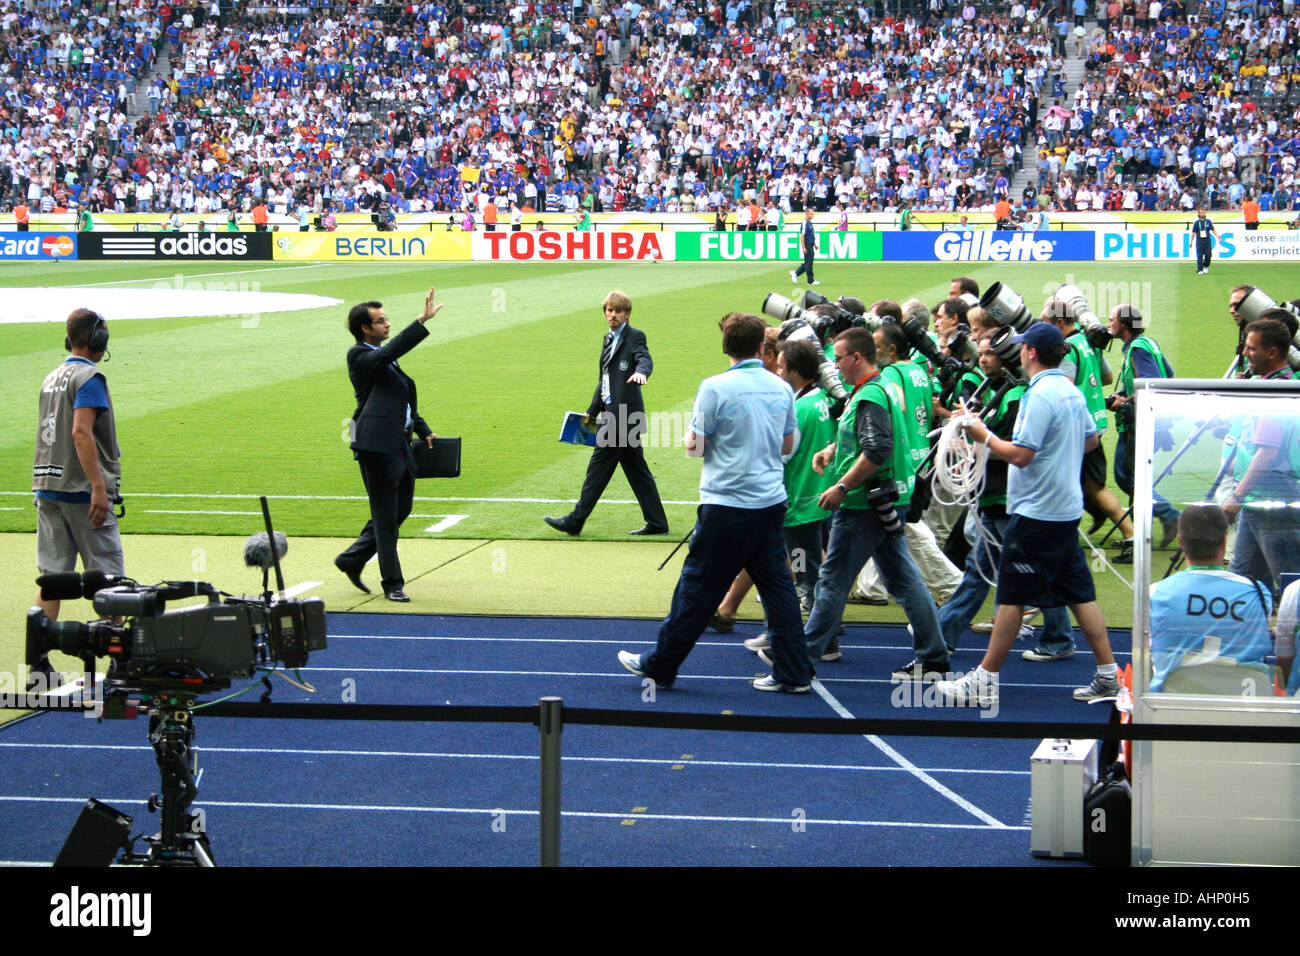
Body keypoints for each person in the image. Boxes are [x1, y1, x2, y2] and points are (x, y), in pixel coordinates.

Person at [617, 313, 812, 693]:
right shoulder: (781, 388)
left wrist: (707, 443)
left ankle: (660, 666)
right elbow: (789, 446)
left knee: (696, 588)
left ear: (726, 347)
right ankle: (794, 672)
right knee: (778, 590)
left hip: (726, 505)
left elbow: (696, 446)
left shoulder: (714, 387)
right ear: (761, 348)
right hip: (770, 503)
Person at [936, 322, 1120, 706]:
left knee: (1011, 597)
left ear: (1031, 353)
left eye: (1022, 347)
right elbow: (1089, 441)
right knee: (1079, 593)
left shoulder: (1039, 395)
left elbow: (1022, 454)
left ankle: (984, 680)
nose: (1018, 352)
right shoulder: (1069, 391)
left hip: (1037, 512)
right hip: (1065, 509)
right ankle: (1107, 675)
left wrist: (981, 433)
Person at [781, 328, 950, 679]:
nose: (835, 365)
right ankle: (934, 657)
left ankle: (800, 662)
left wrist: (842, 486)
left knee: (832, 580)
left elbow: (876, 449)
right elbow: (873, 439)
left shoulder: (870, 393)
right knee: (902, 578)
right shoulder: (880, 387)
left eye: (839, 358)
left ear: (856, 358)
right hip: (889, 496)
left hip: (864, 502)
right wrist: (833, 451)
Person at [936, 332, 1076, 660]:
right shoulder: (1014, 392)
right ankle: (943, 633)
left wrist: (978, 441)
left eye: (990, 354)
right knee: (983, 570)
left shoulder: (1021, 395)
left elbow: (1017, 449)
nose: (982, 359)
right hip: (1002, 496)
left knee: (1019, 575)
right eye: (981, 353)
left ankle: (945, 636)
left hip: (1007, 497)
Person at [30, 309, 125, 686]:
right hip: (82, 492)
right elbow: (80, 433)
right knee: (111, 580)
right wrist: (99, 488)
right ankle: (118, 664)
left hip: (46, 487)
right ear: (96, 341)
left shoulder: (52, 377)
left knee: (52, 580)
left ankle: (37, 667)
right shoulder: (90, 377)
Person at [335, 288, 443, 602]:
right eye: (380, 321)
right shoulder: (360, 355)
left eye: (387, 320)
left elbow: (401, 399)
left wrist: (423, 429)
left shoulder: (386, 362)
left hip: (399, 443)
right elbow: (388, 352)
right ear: (365, 329)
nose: (387, 325)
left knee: (401, 508)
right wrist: (420, 321)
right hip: (375, 445)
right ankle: (392, 583)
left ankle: (352, 558)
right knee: (385, 515)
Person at [544, 290, 668, 537]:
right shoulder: (608, 338)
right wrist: (592, 409)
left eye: (618, 311)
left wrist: (643, 372)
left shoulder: (635, 337)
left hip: (623, 417)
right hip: (616, 414)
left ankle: (575, 520)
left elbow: (644, 358)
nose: (612, 315)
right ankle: (657, 522)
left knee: (597, 469)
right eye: (609, 311)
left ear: (627, 314)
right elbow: (605, 379)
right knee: (637, 471)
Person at [1148, 504, 1273, 692]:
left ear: (1180, 542)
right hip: (1249, 702)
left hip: (1173, 705)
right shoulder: (1258, 592)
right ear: (1224, 542)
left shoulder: (1155, 592)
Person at [1222, 318, 1300, 596]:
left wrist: (1236, 497)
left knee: (1291, 586)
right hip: (1263, 500)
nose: (1245, 354)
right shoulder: (1283, 384)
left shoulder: (1274, 393)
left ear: (1273, 353)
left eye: (1251, 349)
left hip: (1272, 502)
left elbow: (1267, 452)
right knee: (1244, 580)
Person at [1106, 304, 1181, 550]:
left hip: (1138, 424)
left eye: (1111, 320)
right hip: (1151, 422)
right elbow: (1169, 376)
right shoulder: (1148, 343)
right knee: (1137, 475)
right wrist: (1125, 394)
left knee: (1126, 475)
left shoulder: (1137, 349)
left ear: (1124, 325)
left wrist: (1124, 402)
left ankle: (1171, 516)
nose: (1108, 324)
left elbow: (1151, 385)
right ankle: (1138, 537)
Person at [789, 208, 819, 287]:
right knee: (809, 263)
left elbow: (811, 234)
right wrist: (804, 247)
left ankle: (796, 273)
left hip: (810, 244)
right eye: (811, 214)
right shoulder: (805, 223)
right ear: (807, 214)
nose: (812, 215)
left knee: (808, 262)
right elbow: (802, 236)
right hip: (807, 244)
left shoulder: (809, 223)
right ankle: (810, 280)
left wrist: (814, 244)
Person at [1190, 207, 1216, 274]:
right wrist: (1191, 241)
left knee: (1208, 255)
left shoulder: (1208, 221)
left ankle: (1205, 265)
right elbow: (1194, 233)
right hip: (1199, 241)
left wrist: (1217, 236)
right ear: (1199, 213)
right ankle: (1200, 270)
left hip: (1207, 241)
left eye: (1204, 212)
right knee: (1200, 256)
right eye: (1201, 212)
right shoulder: (1196, 223)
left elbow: (1213, 230)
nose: (1203, 213)